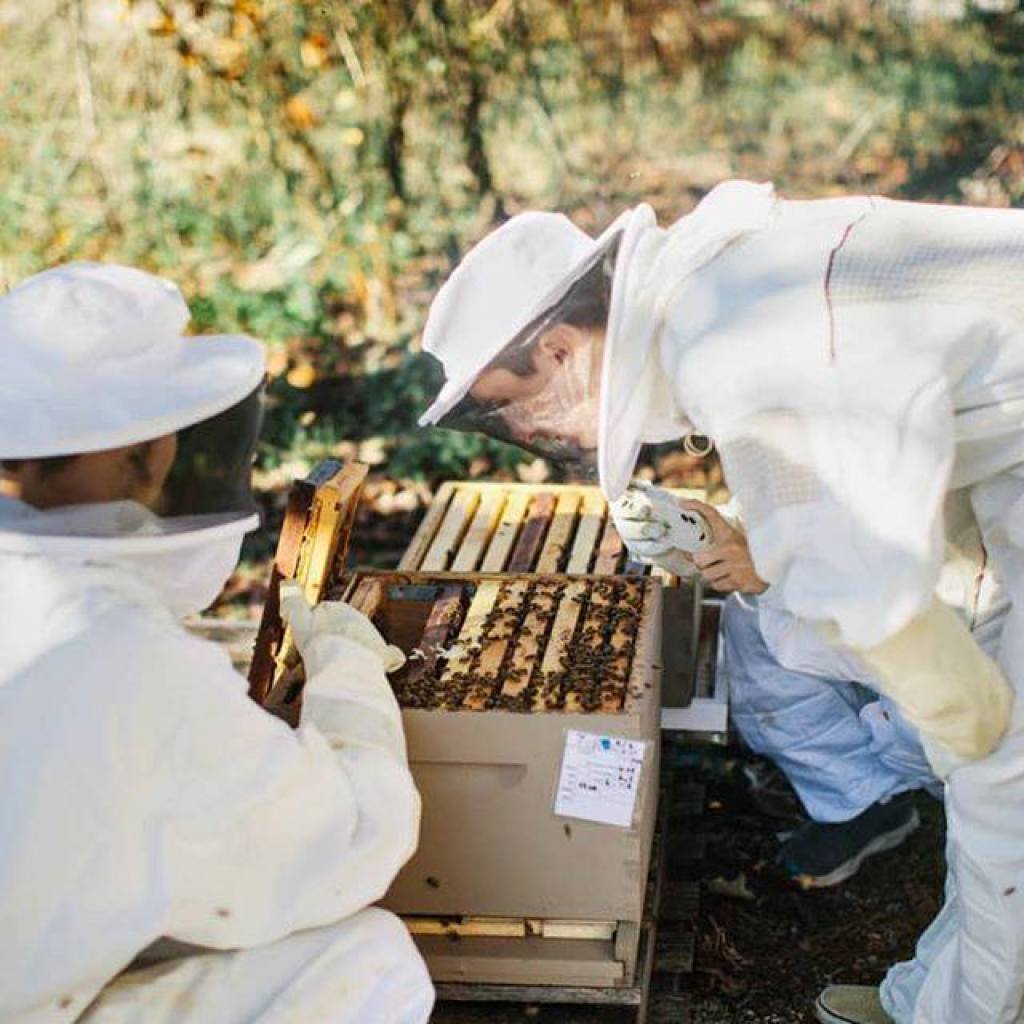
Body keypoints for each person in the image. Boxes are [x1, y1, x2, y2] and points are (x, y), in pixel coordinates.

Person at [419, 183, 1024, 1024]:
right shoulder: (724, 287)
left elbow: (869, 585)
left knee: (1005, 794)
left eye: (505, 404)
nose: (525, 433)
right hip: (1005, 464)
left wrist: (974, 739)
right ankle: (942, 1000)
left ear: (558, 348)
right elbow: (894, 438)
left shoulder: (736, 347)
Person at [0, 263, 434, 1023]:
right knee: (367, 963)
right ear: (148, 455)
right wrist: (349, 668)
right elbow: (345, 846)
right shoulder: (127, 662)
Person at [682, 495, 1006, 889]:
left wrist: (772, 573)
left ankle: (974, 831)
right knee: (753, 623)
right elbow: (794, 483)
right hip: (882, 591)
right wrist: (724, 533)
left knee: (942, 739)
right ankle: (864, 802)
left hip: (966, 639)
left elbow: (925, 602)